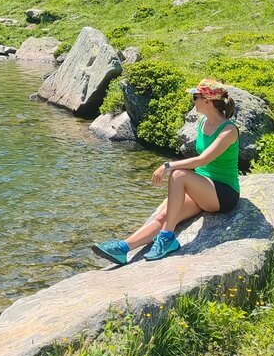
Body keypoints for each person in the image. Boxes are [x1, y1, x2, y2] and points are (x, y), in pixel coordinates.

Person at [91, 78, 240, 265]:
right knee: (164, 215)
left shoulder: (228, 130)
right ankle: (123, 248)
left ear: (207, 101)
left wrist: (168, 165)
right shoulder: (203, 122)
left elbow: (203, 160)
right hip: (201, 187)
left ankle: (167, 239)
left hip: (223, 193)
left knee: (178, 174)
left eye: (195, 97)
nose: (193, 101)